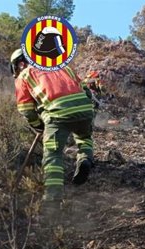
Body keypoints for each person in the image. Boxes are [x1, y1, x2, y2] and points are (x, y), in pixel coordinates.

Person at [10, 48, 95, 218]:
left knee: (53, 155)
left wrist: (38, 125)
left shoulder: (24, 74)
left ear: (20, 63)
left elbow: (26, 109)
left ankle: (52, 203)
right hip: (85, 110)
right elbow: (85, 90)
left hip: (57, 115)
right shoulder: (63, 66)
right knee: (84, 137)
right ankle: (85, 157)